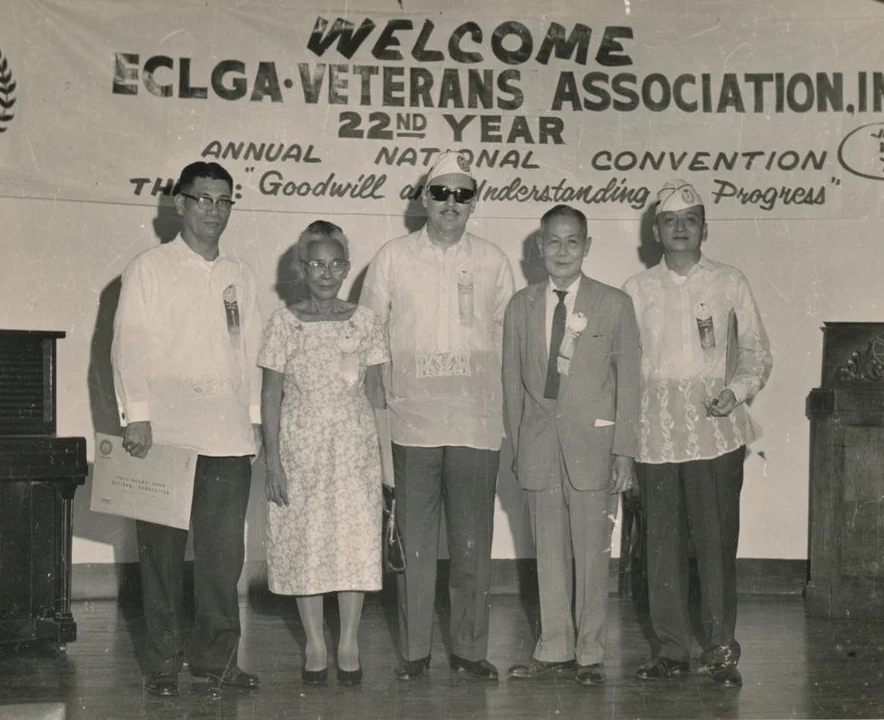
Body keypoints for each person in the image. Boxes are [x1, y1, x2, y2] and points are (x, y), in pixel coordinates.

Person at [359, 150, 515, 681]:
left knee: (473, 542)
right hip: (411, 422)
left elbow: (506, 341)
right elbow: (369, 337)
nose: (451, 203)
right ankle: (414, 652)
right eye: (441, 193)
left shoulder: (494, 261)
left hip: (475, 421)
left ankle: (470, 650)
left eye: (462, 194)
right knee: (416, 544)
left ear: (476, 200)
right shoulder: (393, 257)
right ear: (425, 197)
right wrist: (379, 411)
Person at [111, 161, 262, 697]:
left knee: (223, 561)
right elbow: (129, 344)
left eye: (224, 201)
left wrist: (253, 421)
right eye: (203, 200)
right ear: (179, 203)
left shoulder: (240, 273)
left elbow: (250, 353)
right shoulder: (149, 268)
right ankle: (161, 664)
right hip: (166, 437)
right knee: (161, 560)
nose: (214, 211)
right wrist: (139, 416)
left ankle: (216, 661)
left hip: (226, 436)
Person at [623, 179, 772, 688]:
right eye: (670, 220)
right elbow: (625, 364)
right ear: (656, 231)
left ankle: (720, 650)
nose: (680, 228)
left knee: (715, 543)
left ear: (704, 228)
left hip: (715, 431)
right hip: (655, 432)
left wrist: (736, 390)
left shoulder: (730, 281)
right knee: (660, 546)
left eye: (690, 220)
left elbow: (755, 351)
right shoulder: (636, 289)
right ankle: (670, 650)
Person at [502, 205, 641, 687]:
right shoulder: (520, 306)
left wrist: (624, 451)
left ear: (587, 246)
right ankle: (554, 646)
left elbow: (630, 384)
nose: (562, 251)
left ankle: (589, 653)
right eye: (553, 242)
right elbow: (511, 386)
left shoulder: (615, 303)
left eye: (572, 242)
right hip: (539, 447)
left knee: (591, 552)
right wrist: (518, 448)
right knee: (548, 554)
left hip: (593, 448)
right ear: (538, 247)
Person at [258, 221, 389, 686]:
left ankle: (349, 641)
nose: (327, 273)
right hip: (300, 449)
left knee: (354, 541)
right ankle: (315, 642)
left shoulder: (366, 321)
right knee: (305, 543)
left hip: (354, 449)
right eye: (317, 263)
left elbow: (377, 395)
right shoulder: (283, 324)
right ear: (300, 268)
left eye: (336, 264)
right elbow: (270, 397)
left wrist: (386, 464)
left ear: (347, 268)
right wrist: (273, 460)